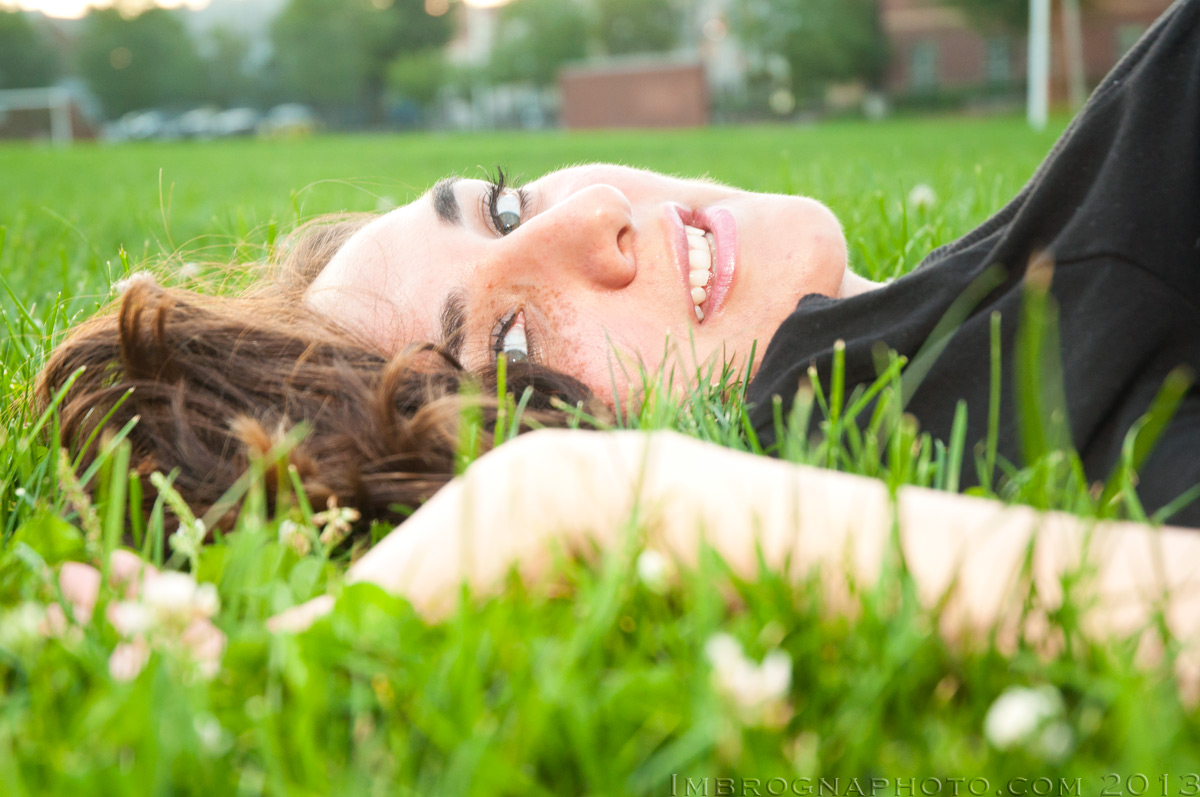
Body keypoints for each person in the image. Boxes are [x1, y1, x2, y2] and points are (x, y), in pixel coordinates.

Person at [39, 2, 1200, 654]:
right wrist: (577, 501)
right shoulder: (948, 396)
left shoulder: (1025, 281)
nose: (593, 211)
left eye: (504, 206)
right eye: (508, 346)